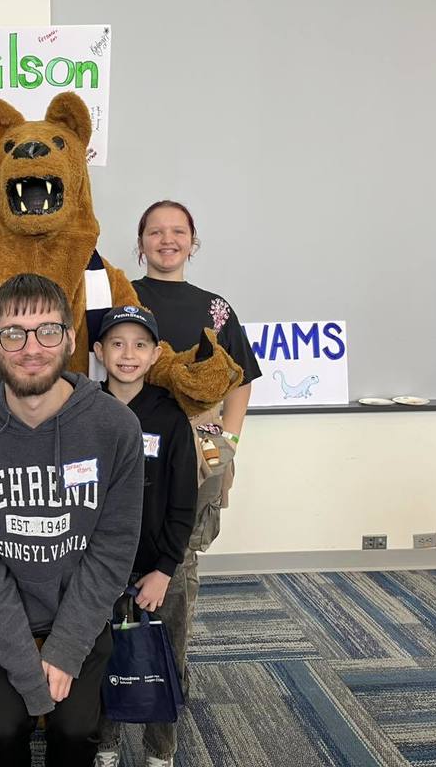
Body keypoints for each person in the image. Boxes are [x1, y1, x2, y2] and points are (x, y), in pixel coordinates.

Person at [0, 273, 145, 767]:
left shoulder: (115, 426)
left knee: (75, 731)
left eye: (48, 331)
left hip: (80, 610)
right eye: (14, 333)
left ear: (71, 338)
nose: (32, 347)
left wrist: (68, 648)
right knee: (4, 731)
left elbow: (113, 547)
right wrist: (31, 677)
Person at [130, 199, 262, 625]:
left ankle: (171, 669)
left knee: (181, 550)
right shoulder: (122, 297)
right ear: (141, 243)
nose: (167, 240)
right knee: (125, 537)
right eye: (156, 231)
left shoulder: (216, 309)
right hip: (134, 435)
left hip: (201, 437)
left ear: (192, 243)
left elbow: (240, 379)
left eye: (178, 232)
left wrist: (230, 441)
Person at [89, 306, 198, 767]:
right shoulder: (82, 410)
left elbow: (183, 501)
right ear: (98, 352)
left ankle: (160, 751)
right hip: (96, 567)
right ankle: (106, 746)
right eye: (116, 343)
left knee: (164, 658)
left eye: (139, 345)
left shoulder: (170, 417)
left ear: (156, 355)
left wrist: (165, 570)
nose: (127, 354)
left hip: (156, 568)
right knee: (100, 659)